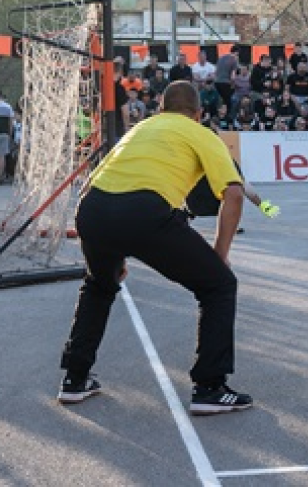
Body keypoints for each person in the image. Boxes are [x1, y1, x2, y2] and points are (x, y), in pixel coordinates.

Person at [57, 81, 252, 415]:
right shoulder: (202, 133)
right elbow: (233, 195)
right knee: (219, 285)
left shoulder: (140, 129)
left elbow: (89, 185)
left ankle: (74, 379)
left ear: (161, 109)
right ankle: (209, 387)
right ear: (198, 113)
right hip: (144, 211)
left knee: (99, 285)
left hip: (93, 210)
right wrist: (220, 256)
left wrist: (111, 251)